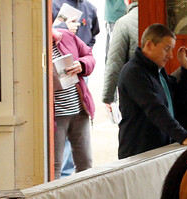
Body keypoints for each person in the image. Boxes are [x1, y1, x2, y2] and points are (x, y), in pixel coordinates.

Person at [116, 23, 187, 159]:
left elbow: (181, 99)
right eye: (167, 49)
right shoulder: (134, 72)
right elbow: (154, 108)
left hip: (160, 147)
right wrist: (183, 136)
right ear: (149, 45)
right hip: (139, 152)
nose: (171, 56)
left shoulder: (158, 71)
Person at [51, 28, 95, 178]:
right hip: (56, 117)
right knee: (55, 166)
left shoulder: (66, 36)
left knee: (85, 163)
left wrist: (81, 65)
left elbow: (89, 55)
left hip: (79, 111)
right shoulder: (33, 45)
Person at [102, 0, 138, 110]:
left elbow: (114, 64)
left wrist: (108, 97)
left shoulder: (124, 23)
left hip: (134, 91)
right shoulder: (161, 15)